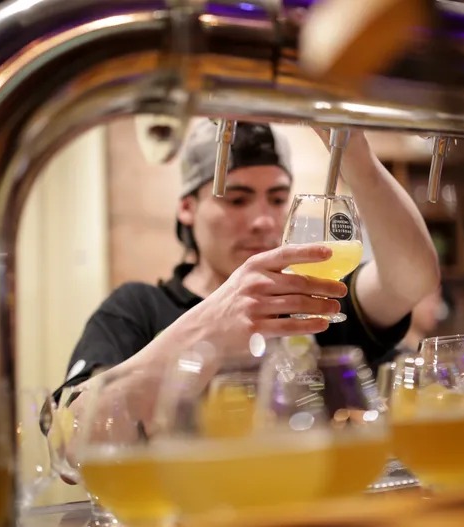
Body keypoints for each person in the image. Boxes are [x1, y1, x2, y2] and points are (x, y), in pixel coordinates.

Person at [57, 119, 439, 422]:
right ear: (187, 208)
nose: (263, 221)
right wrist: (210, 329)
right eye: (237, 199)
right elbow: (73, 438)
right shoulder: (138, 308)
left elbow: (412, 279)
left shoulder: (309, 300)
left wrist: (357, 159)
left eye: (277, 198)